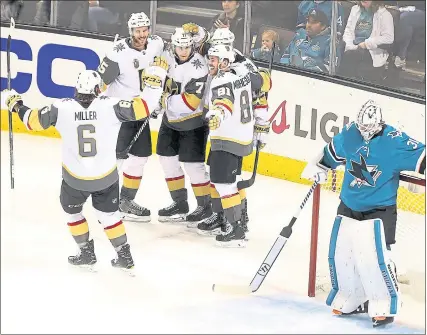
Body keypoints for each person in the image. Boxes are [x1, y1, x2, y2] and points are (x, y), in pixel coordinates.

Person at [2, 62, 168, 270]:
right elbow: (144, 108)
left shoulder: (61, 108)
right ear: (98, 89)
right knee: (109, 216)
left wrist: (14, 103)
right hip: (106, 177)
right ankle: (124, 256)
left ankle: (86, 252)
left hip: (75, 179)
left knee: (72, 213)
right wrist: (155, 81)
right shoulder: (112, 106)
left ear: (76, 89)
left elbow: (31, 121)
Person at [301, 99, 426, 327]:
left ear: (379, 124)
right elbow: (330, 154)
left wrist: (420, 178)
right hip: (348, 204)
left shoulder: (394, 140)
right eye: (362, 129)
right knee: (343, 255)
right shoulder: (351, 133)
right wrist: (318, 167)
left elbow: (422, 157)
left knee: (374, 257)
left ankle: (383, 304)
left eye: (370, 129)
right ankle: (352, 297)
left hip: (380, 209)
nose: (365, 134)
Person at [182, 24, 272, 234]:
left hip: (227, 124)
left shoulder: (243, 67)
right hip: (220, 122)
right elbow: (204, 45)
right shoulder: (223, 60)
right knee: (219, 173)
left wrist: (262, 125)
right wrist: (199, 31)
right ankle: (225, 215)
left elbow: (260, 95)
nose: (214, 51)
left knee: (226, 178)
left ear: (228, 50)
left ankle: (233, 217)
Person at [97, 12, 165, 222]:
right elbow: (100, 83)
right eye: (138, 31)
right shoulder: (117, 53)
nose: (142, 34)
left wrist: (154, 100)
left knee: (140, 157)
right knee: (115, 160)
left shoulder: (156, 44)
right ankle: (105, 205)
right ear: (130, 31)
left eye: (145, 30)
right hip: (120, 113)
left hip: (141, 111)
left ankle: (125, 201)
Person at [200, 44, 269, 247]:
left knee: (224, 184)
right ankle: (234, 220)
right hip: (240, 136)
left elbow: (224, 102)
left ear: (225, 62)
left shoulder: (221, 79)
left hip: (227, 138)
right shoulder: (243, 73)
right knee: (229, 179)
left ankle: (235, 228)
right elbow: (264, 83)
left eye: (214, 59)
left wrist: (217, 115)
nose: (209, 62)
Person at [155, 28, 211, 224]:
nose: (184, 50)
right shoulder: (165, 57)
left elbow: (191, 102)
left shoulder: (199, 67)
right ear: (173, 45)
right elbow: (153, 77)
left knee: (194, 167)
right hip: (169, 122)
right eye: (180, 46)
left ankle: (205, 206)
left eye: (187, 46)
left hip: (193, 124)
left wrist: (161, 101)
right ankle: (179, 203)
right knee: (166, 160)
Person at [339, 1, 394, 85]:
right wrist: (350, 45)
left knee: (349, 58)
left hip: (371, 51)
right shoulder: (355, 9)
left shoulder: (385, 14)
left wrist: (366, 44)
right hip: (353, 48)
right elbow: (348, 31)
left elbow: (389, 38)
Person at [280, 9, 336, 73]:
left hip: (310, 79)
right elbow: (286, 54)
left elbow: (329, 69)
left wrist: (303, 70)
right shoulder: (299, 34)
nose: (309, 25)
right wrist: (284, 68)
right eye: (308, 21)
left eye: (314, 22)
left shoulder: (331, 43)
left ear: (323, 26)